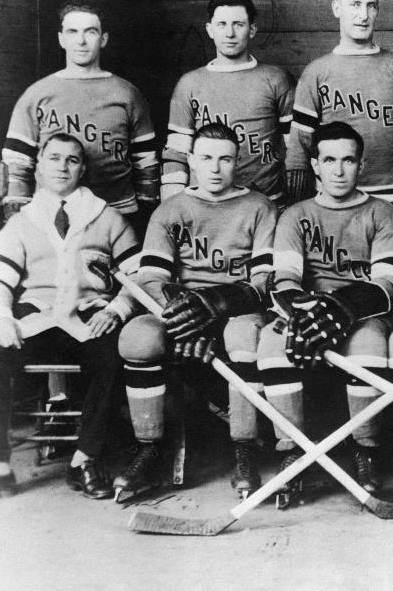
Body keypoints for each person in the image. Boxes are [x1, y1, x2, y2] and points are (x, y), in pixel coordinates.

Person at [261, 122, 393, 505]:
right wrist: (305, 313)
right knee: (273, 343)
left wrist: (343, 307)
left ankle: (365, 450)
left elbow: (387, 283)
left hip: (362, 315)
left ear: (362, 164)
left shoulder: (381, 212)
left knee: (368, 346)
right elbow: (285, 278)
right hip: (308, 311)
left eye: (348, 160)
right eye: (330, 160)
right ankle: (292, 452)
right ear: (315, 166)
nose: (339, 170)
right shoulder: (295, 214)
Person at [116, 123, 277, 502]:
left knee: (243, 336)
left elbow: (262, 283)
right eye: (206, 158)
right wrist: (183, 321)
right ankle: (150, 449)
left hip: (235, 310)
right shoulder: (170, 209)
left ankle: (245, 448)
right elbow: (152, 279)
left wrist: (216, 311)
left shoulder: (259, 207)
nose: (215, 168)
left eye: (225, 158)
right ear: (190, 161)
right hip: (183, 311)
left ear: (238, 161)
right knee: (138, 336)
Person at [0, 133, 139, 501]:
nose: (62, 166)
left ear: (82, 168)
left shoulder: (108, 218)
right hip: (37, 319)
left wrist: (117, 309)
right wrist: (1, 319)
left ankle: (84, 459)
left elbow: (139, 278)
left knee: (114, 355)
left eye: (72, 160)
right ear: (38, 165)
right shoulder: (21, 222)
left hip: (87, 317)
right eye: (53, 158)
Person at [0, 0, 158, 235]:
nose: (81, 41)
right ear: (62, 39)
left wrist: (146, 216)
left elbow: (146, 162)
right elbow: (17, 163)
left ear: (103, 39)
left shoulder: (127, 94)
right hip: (53, 218)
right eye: (72, 32)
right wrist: (16, 219)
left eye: (90, 32)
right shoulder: (37, 94)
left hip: (118, 214)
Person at [287, 0, 393, 207]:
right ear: (337, 8)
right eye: (355, 5)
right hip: (334, 198)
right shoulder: (316, 72)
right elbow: (299, 148)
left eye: (371, 6)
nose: (363, 15)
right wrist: (296, 204)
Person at [161, 0, 295, 206]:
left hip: (267, 203)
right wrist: (174, 208)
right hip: (207, 205)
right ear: (210, 30)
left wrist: (291, 202)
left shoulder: (276, 79)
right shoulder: (190, 84)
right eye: (222, 24)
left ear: (252, 29)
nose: (230, 33)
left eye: (238, 24)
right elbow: (177, 152)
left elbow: (295, 148)